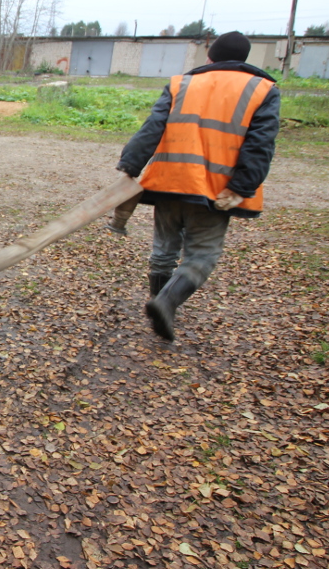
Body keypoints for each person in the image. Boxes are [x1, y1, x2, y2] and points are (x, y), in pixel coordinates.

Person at [115, 31, 280, 340]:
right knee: (202, 254)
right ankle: (165, 303)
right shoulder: (262, 90)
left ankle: (161, 303)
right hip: (216, 190)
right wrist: (242, 186)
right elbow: (261, 144)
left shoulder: (182, 84)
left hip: (169, 180)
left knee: (164, 249)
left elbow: (153, 127)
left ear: (210, 57)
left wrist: (130, 166)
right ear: (243, 60)